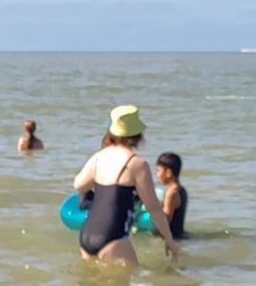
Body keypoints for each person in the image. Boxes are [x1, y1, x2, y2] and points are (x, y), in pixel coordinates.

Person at [71, 106, 179, 270]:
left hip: (87, 234)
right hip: (112, 236)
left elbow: (78, 184)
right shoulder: (136, 164)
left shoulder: (99, 157)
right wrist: (169, 239)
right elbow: (153, 208)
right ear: (137, 136)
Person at [152, 151, 190, 236]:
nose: (157, 174)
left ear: (168, 173)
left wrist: (153, 233)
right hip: (180, 235)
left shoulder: (171, 193)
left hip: (174, 239)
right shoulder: (181, 189)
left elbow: (166, 222)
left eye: (158, 170)